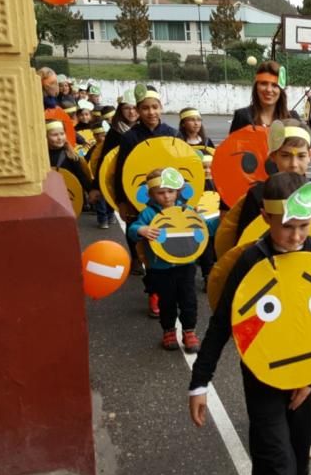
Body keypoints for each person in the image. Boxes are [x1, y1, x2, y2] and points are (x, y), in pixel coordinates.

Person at [190, 172, 311, 475]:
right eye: (287, 226)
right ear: (266, 217)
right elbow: (222, 322)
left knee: (298, 462)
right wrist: (200, 381)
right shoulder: (250, 260)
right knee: (276, 464)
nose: (296, 236)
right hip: (262, 377)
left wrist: (309, 377)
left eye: (304, 226)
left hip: (305, 379)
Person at [128, 168, 219, 352]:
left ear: (178, 191)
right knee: (166, 301)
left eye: (170, 191)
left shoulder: (187, 210)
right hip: (159, 268)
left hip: (185, 265)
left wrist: (222, 218)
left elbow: (205, 227)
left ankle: (189, 331)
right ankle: (169, 330)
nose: (166, 197)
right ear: (151, 194)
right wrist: (141, 230)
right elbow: (133, 229)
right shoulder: (148, 213)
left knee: (188, 300)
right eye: (160, 193)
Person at [113, 85, 179, 317]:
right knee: (147, 249)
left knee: (168, 242)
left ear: (161, 108)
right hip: (140, 199)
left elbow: (184, 167)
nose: (150, 112)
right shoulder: (130, 136)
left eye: (154, 107)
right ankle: (154, 293)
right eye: (145, 108)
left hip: (169, 199)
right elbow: (122, 171)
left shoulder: (172, 133)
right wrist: (122, 201)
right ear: (138, 111)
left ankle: (171, 291)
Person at [229, 120, 311, 246]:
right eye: (285, 155)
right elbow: (245, 240)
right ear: (273, 156)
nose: (294, 164)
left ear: (310, 155)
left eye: (301, 156)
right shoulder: (258, 194)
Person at [46, 120, 98, 206]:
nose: (59, 138)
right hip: (49, 197)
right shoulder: (42, 157)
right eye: (54, 135)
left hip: (69, 197)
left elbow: (81, 176)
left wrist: (90, 191)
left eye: (62, 134)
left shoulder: (71, 156)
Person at [230, 61, 290, 133]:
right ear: (256, 87)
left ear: (281, 90)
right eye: (264, 83)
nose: (269, 89)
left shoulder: (292, 119)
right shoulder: (242, 117)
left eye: (275, 85)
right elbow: (232, 143)